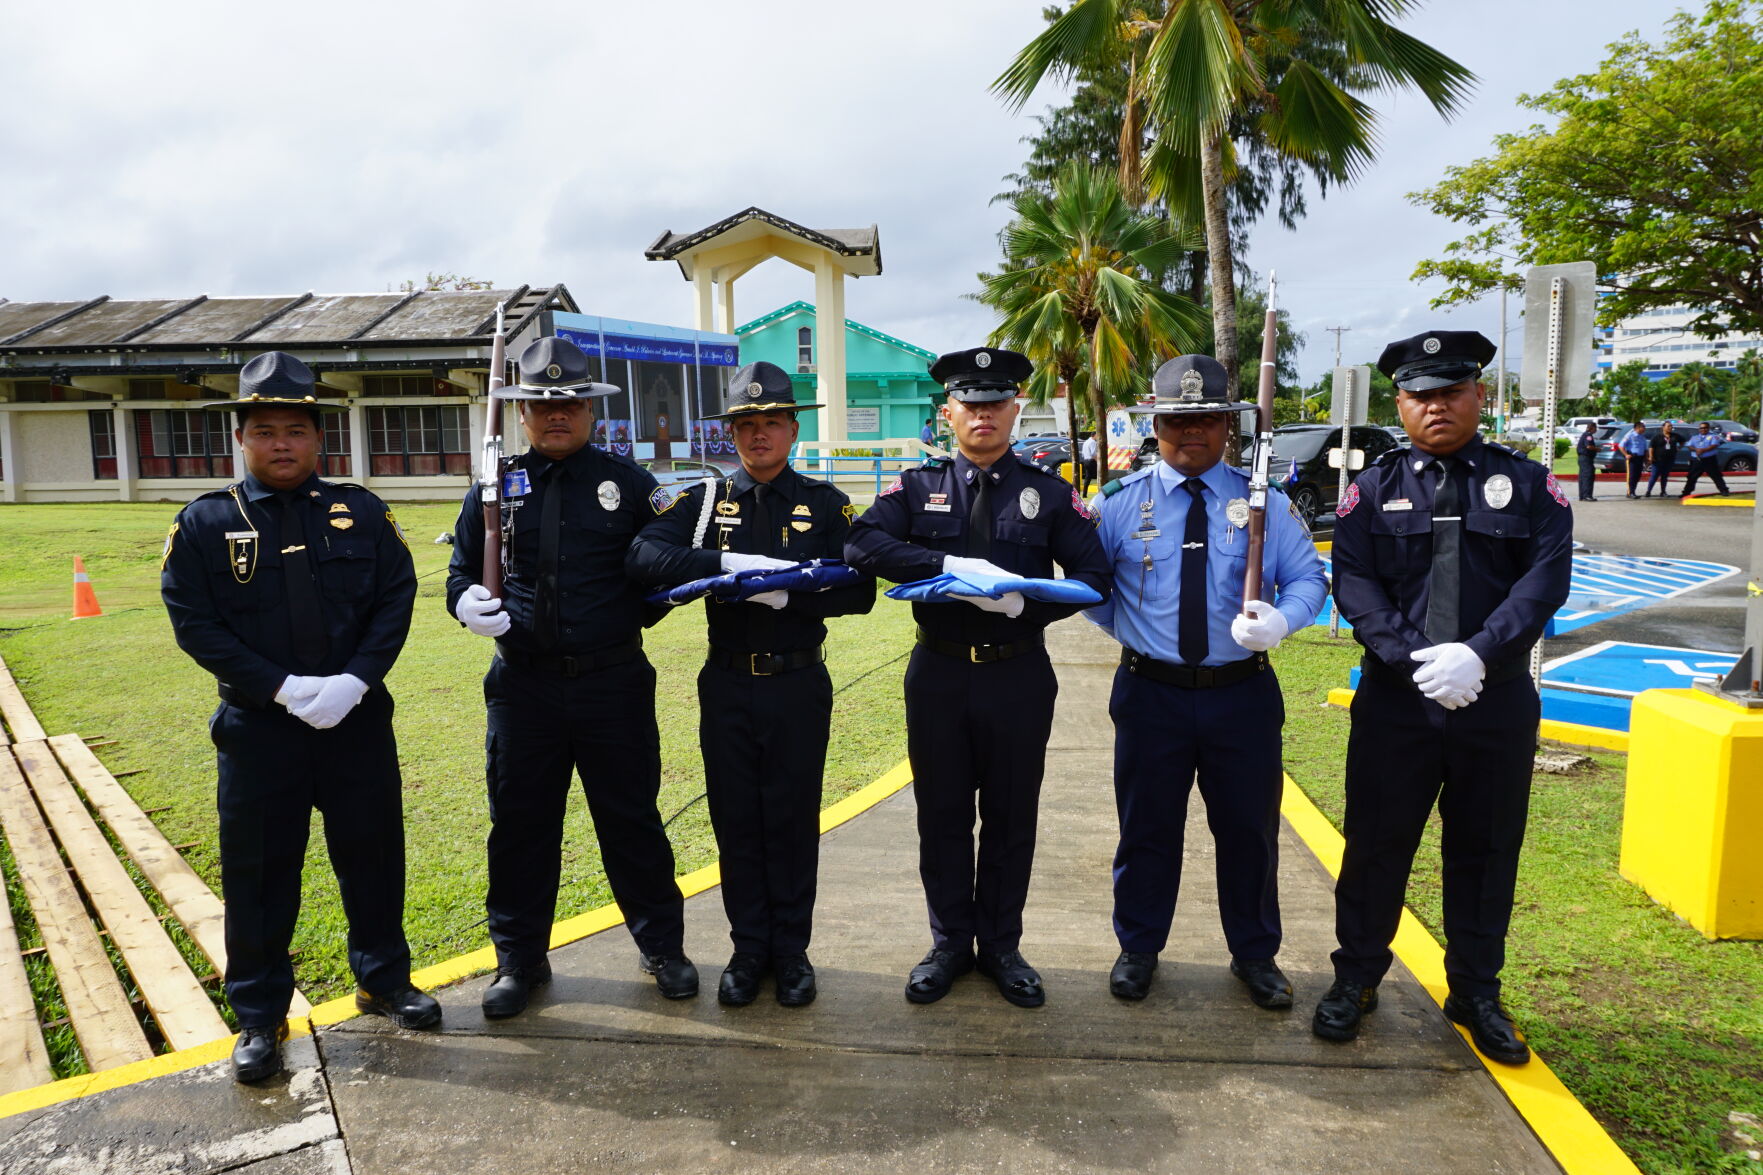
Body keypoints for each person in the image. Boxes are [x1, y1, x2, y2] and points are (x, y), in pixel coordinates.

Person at [161, 352, 439, 1084]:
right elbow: (195, 623)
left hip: (354, 721)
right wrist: (281, 687)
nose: (280, 443)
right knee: (258, 873)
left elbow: (395, 596)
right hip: (261, 731)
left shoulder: (363, 511)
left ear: (318, 438)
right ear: (242, 439)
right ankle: (258, 1015)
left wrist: (355, 680)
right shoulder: (208, 522)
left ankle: (383, 980)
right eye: (264, 430)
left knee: (373, 857)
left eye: (294, 429)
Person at [1313, 330, 1573, 1066]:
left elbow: (1543, 581)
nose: (1435, 406)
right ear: (1398, 403)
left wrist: (1477, 652)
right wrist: (1411, 657)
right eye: (1419, 395)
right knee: (1375, 845)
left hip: (1493, 700)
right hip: (1398, 702)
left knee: (1486, 848)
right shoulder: (1372, 487)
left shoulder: (1526, 484)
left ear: (1478, 396)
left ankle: (1475, 992)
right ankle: (1356, 979)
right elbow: (1353, 581)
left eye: (1450, 392)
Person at [846, 347, 1111, 1008]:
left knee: (1010, 814)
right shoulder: (915, 487)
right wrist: (945, 566)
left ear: (1014, 409)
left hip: (1016, 674)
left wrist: (1025, 601)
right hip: (936, 672)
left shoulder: (1049, 494)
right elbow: (861, 543)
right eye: (970, 403)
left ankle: (999, 945)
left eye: (995, 402)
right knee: (940, 815)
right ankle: (946, 942)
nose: (982, 414)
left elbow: (1093, 579)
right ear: (948, 413)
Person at [445, 336, 694, 1019]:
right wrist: (465, 602)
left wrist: (634, 616)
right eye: (541, 403)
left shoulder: (633, 484)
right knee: (520, 826)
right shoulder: (495, 488)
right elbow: (462, 570)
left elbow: (665, 572)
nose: (557, 414)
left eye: (571, 402)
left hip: (611, 682)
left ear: (591, 408)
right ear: (520, 410)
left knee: (632, 820)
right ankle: (518, 961)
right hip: (523, 686)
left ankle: (662, 948)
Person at [627, 361, 875, 1008]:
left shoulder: (824, 503)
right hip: (728, 682)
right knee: (736, 818)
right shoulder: (706, 503)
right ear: (728, 433)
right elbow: (646, 557)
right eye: (745, 424)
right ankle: (746, 949)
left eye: (770, 422)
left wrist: (789, 592)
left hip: (798, 683)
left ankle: (790, 952)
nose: (757, 434)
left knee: (791, 819)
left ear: (793, 428)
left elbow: (860, 589)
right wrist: (726, 565)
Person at [1084, 355, 1329, 1008]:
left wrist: (1281, 619)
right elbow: (1089, 587)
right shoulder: (1115, 505)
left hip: (1240, 696)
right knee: (1146, 828)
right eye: (1176, 421)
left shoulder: (1263, 504)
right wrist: (1137, 636)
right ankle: (1138, 946)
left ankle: (1254, 953)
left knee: (1248, 830)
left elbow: (1310, 580)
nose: (1190, 433)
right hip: (1149, 695)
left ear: (1229, 426)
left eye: (1206, 420)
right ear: (1154, 424)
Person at [1682, 421, 1731, 497]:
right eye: (1701, 428)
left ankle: (1724, 491)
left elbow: (1714, 445)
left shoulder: (1713, 437)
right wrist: (1696, 449)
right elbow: (1689, 446)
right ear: (1699, 429)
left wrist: (1703, 450)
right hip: (1696, 460)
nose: (1703, 429)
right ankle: (1686, 493)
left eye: (1705, 428)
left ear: (1708, 428)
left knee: (1716, 476)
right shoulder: (1694, 437)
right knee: (1691, 477)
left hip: (1709, 460)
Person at [1645, 421, 1681, 497]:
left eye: (1671, 426)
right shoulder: (1657, 437)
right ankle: (1648, 491)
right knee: (1654, 476)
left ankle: (1663, 491)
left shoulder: (1675, 436)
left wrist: (1679, 447)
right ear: (1663, 428)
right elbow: (1651, 447)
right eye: (1668, 426)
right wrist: (1651, 456)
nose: (1670, 428)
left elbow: (1683, 441)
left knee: (1664, 476)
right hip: (1658, 460)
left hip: (1669, 460)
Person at [1619, 419, 1650, 498]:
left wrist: (1647, 459)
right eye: (1643, 427)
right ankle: (1630, 492)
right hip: (1632, 458)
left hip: (1640, 458)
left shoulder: (1642, 437)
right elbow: (1621, 446)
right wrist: (1626, 454)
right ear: (1637, 428)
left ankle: (1633, 491)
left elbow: (1645, 449)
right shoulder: (1630, 436)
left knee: (1637, 475)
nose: (1644, 429)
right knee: (1631, 476)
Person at [1575, 421, 1600, 501]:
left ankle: (1582, 495)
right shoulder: (1588, 435)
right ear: (1592, 428)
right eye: (1595, 428)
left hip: (1583, 458)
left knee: (1583, 477)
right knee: (1588, 476)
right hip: (1586, 458)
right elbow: (1588, 446)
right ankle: (1587, 496)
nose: (1596, 430)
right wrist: (1597, 449)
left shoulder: (1585, 434)